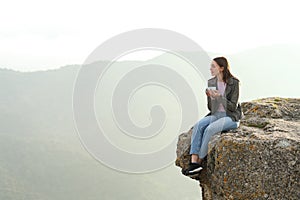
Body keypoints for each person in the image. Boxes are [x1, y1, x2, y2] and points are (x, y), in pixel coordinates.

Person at [183, 56, 242, 176]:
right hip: (216, 114)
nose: (210, 69)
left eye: (213, 66)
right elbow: (211, 108)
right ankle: (193, 162)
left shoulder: (234, 83)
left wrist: (219, 96)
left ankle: (199, 161)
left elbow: (232, 107)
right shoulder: (211, 82)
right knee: (199, 126)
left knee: (210, 129)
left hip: (231, 117)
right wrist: (210, 97)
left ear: (221, 68)